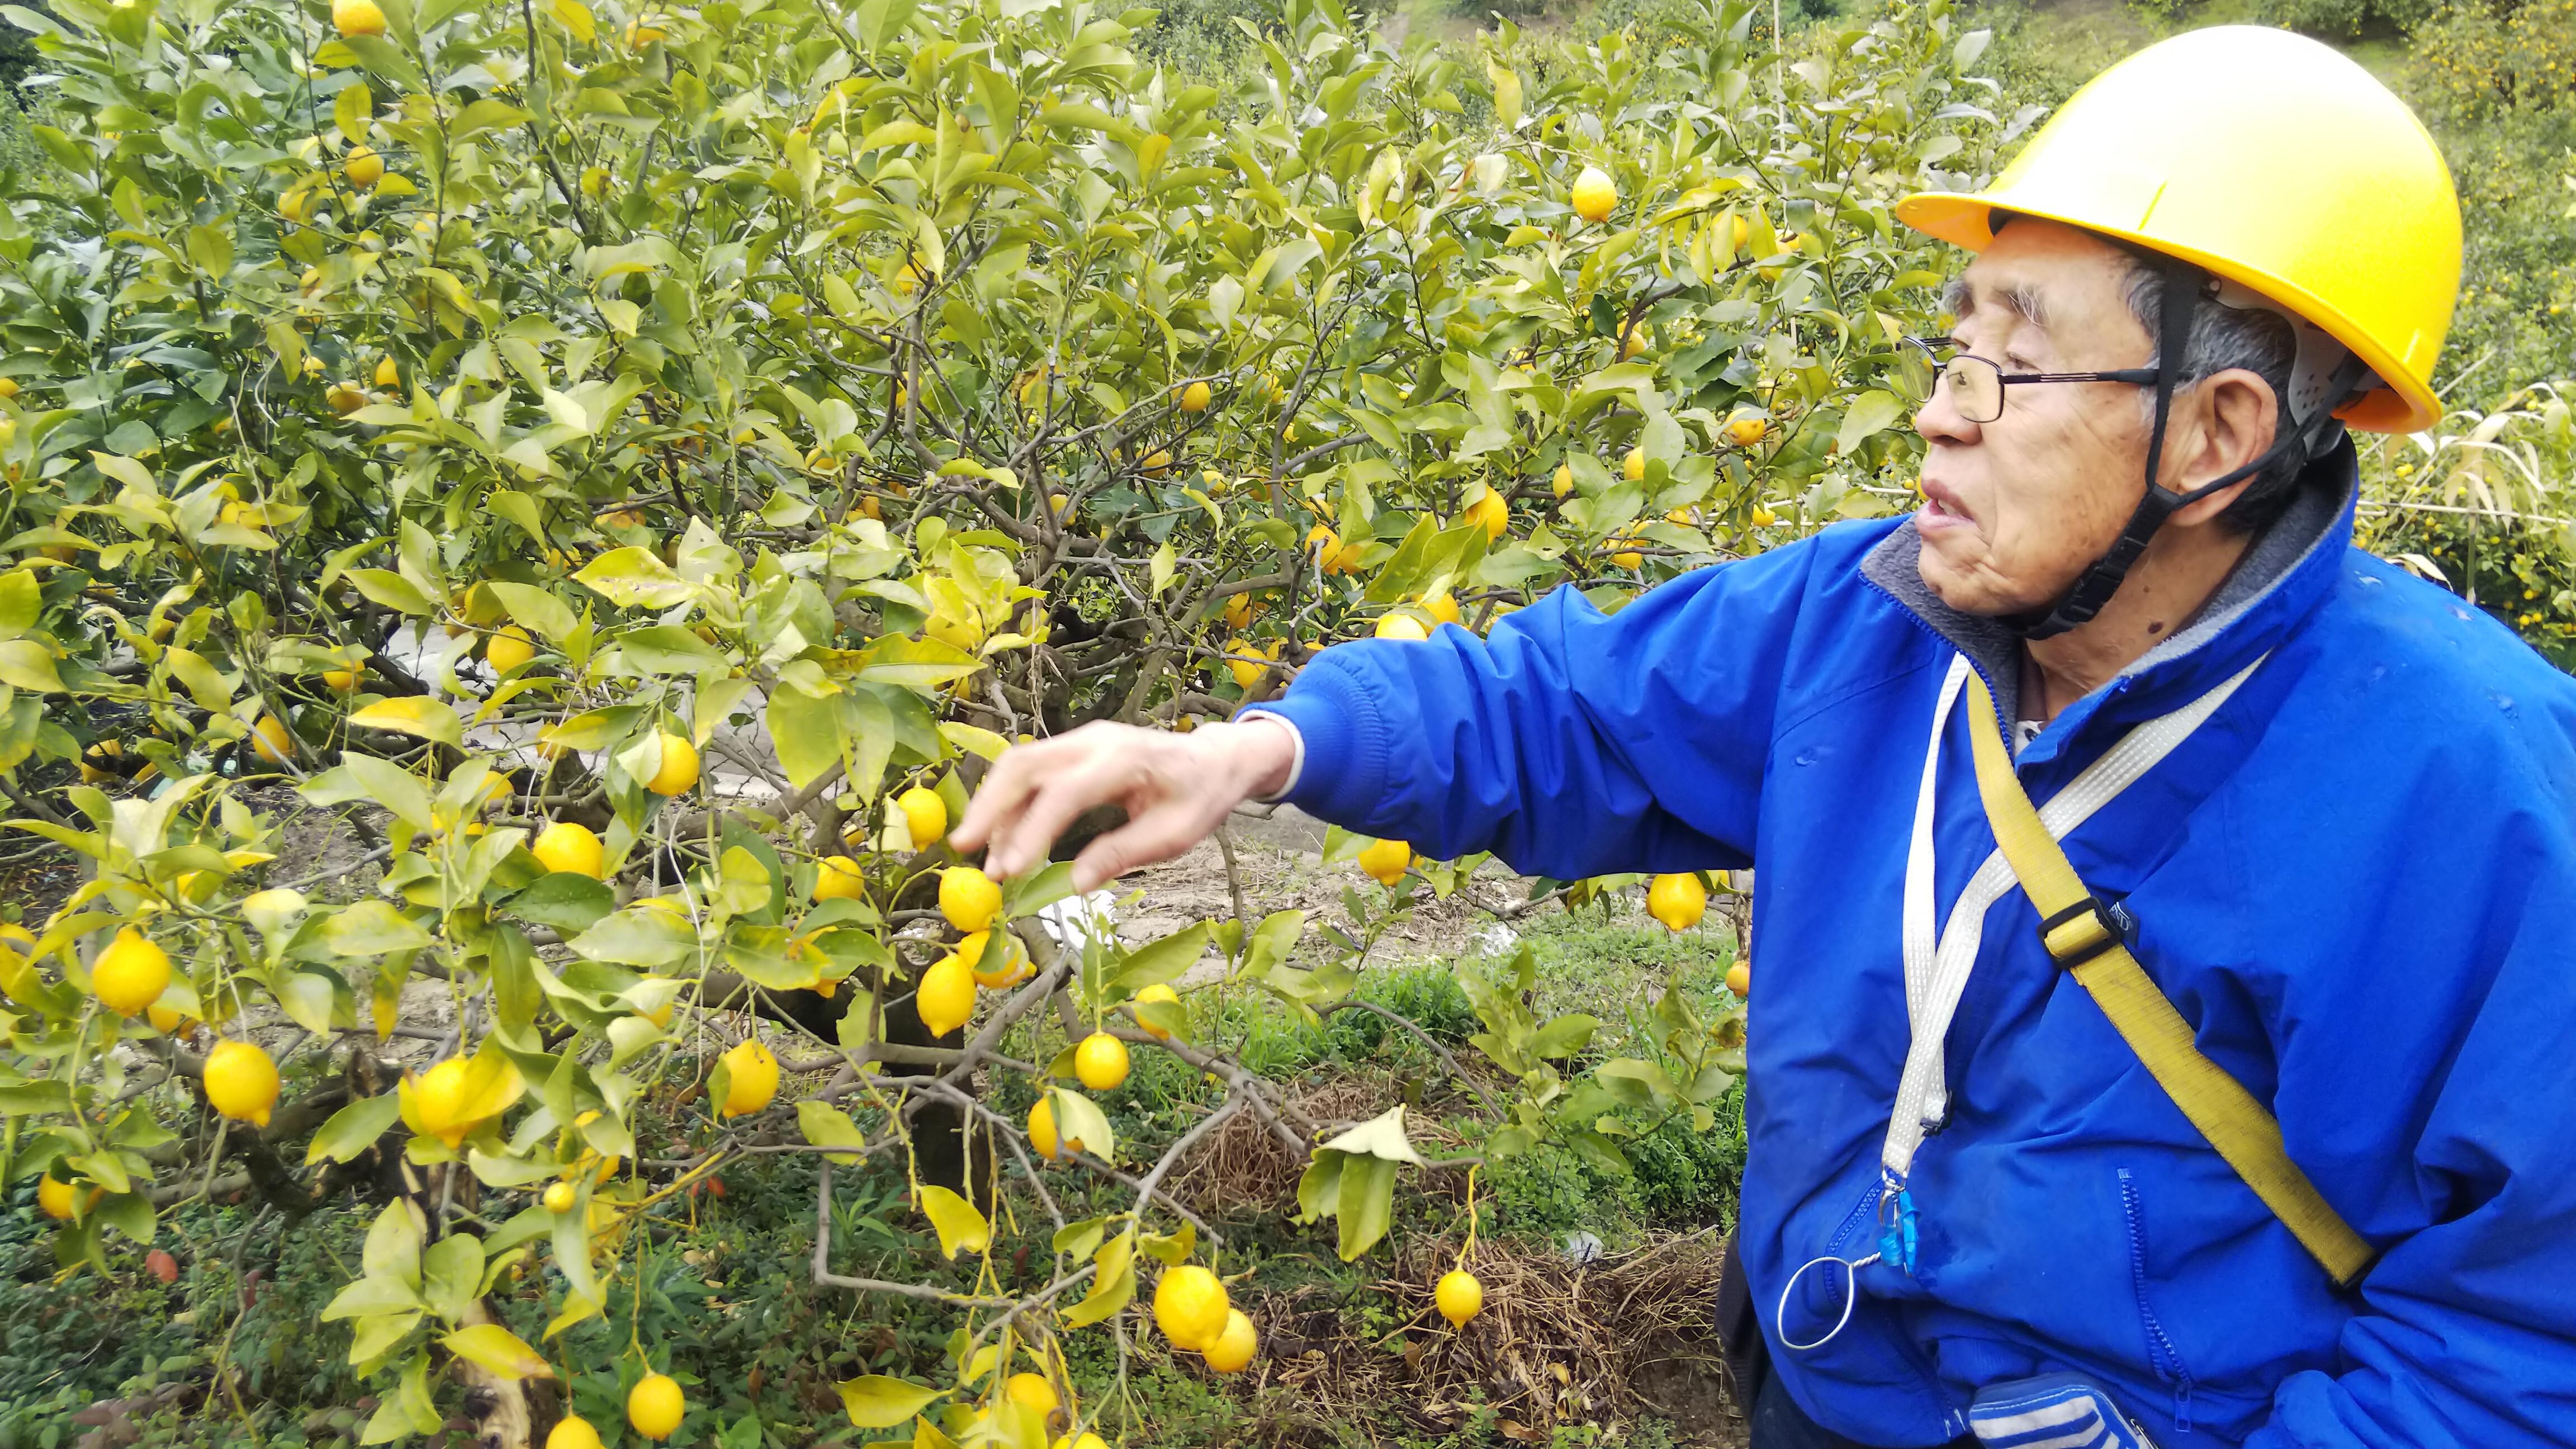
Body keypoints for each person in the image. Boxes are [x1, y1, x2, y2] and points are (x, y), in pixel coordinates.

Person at [953, 26, 2576, 1449]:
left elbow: (2518, 1339)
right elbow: (1567, 705)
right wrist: (1262, 751)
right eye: (1953, 347)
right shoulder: (1872, 621)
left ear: (2214, 434)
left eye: (2015, 362)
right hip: (1825, 1389)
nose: (1943, 411)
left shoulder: (2469, 785)